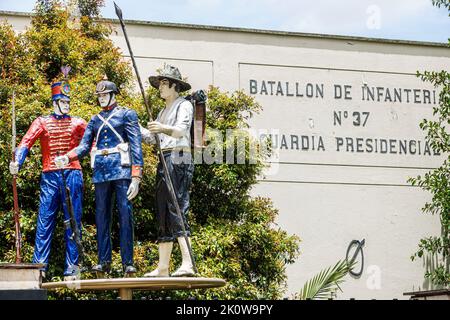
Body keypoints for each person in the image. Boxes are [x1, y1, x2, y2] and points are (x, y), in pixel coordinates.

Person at [55, 80, 143, 276]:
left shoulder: (126, 114)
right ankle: (104, 261)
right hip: (101, 172)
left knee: (125, 215)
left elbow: (136, 145)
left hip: (121, 170)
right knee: (102, 217)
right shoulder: (95, 120)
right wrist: (67, 156)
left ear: (113, 95)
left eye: (105, 95)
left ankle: (127, 262)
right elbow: (85, 146)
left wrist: (136, 176)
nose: (102, 98)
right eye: (99, 96)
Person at [9, 71, 87, 281]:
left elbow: (92, 142)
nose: (67, 105)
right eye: (63, 101)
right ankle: (40, 267)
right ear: (55, 102)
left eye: (68, 101)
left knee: (73, 220)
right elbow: (26, 142)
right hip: (50, 176)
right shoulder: (41, 122)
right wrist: (17, 162)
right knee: (45, 220)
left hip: (72, 173)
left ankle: (73, 267)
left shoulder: (79, 122)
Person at [141, 64, 195, 277]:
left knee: (178, 206)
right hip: (163, 158)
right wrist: (136, 128)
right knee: (162, 209)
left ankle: (187, 262)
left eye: (164, 83)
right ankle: (163, 266)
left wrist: (161, 128)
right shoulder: (163, 111)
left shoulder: (184, 105)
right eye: (160, 84)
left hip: (179, 156)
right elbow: (154, 139)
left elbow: (181, 130)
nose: (160, 88)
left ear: (174, 86)